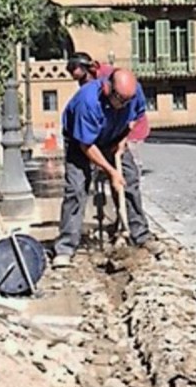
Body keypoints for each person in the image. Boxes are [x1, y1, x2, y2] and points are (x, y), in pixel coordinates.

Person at [52, 69, 161, 267]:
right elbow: (86, 145)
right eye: (121, 100)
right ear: (107, 89)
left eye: (129, 100)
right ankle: (65, 247)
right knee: (76, 189)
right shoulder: (87, 102)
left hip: (114, 137)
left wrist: (122, 141)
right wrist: (111, 171)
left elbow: (136, 117)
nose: (125, 105)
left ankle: (141, 235)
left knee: (130, 180)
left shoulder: (134, 93)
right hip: (81, 142)